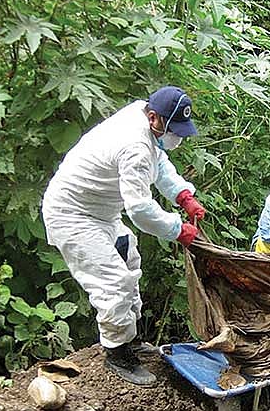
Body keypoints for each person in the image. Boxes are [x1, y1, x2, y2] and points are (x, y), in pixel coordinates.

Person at [41, 86, 206, 386]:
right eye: (173, 130)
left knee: (130, 259)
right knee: (113, 281)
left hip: (103, 213)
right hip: (72, 214)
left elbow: (159, 161)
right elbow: (140, 209)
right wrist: (178, 229)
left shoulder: (142, 115)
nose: (177, 137)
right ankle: (117, 351)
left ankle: (130, 337)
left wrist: (183, 194)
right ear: (154, 117)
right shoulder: (134, 145)